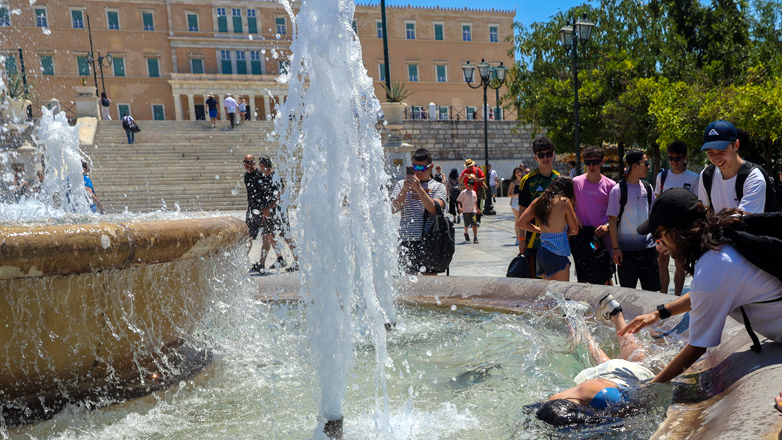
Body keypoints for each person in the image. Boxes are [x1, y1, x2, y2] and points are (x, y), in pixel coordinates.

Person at [618, 188, 782, 383]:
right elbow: (708, 293)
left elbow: (697, 346)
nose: (658, 243)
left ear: (676, 231)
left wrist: (649, 387)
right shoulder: (721, 237)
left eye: (658, 234)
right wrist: (658, 314)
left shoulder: (714, 267)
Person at [536, 296, 655, 426]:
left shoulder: (606, 398)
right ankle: (574, 318)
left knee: (637, 361)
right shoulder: (551, 402)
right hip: (586, 378)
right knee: (604, 361)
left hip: (603, 387)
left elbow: (641, 408)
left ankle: (615, 316)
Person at [607, 149, 660, 292]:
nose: (648, 167)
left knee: (652, 293)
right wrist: (616, 248)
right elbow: (612, 221)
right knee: (627, 294)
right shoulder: (618, 190)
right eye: (645, 163)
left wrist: (659, 242)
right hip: (626, 253)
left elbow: (654, 218)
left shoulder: (648, 188)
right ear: (634, 166)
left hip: (648, 250)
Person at [391, 148, 447, 276]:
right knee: (408, 285)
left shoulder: (439, 187)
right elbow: (393, 208)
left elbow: (433, 209)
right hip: (407, 241)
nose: (418, 171)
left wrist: (419, 188)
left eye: (422, 168)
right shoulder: (401, 185)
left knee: (429, 283)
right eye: (415, 167)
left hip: (430, 241)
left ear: (431, 166)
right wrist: (404, 190)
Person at [655, 140, 699, 296]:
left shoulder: (694, 178)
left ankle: (676, 296)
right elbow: (657, 203)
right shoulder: (662, 176)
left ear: (685, 158)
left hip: (682, 227)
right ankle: (663, 293)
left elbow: (696, 204)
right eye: (670, 158)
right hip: (664, 227)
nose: (674, 162)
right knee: (662, 260)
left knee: (680, 263)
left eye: (677, 158)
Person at [697, 120, 767, 214]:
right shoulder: (706, 175)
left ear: (736, 145)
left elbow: (745, 222)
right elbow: (705, 213)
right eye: (710, 152)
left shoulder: (754, 178)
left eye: (722, 151)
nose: (716, 158)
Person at [518, 177, 579, 281]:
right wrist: (566, 232)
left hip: (542, 253)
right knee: (560, 293)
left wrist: (539, 230)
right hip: (558, 252)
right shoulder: (564, 202)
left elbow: (521, 223)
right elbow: (575, 230)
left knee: (547, 293)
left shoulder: (538, 201)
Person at [572, 145, 616, 284]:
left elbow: (616, 214)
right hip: (584, 240)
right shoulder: (575, 183)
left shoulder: (611, 185)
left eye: (595, 161)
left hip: (604, 240)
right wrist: (575, 219)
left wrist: (607, 226)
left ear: (602, 161)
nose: (592, 165)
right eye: (588, 162)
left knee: (606, 278)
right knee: (584, 278)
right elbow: (567, 207)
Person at [518, 136, 561, 274]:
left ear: (553, 155)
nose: (545, 158)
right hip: (534, 241)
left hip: (556, 241)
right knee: (536, 284)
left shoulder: (559, 179)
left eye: (548, 154)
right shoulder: (527, 180)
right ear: (536, 158)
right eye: (541, 155)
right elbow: (521, 212)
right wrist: (521, 239)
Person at [460, 159, 486, 224]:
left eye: (471, 166)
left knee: (477, 206)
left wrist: (478, 180)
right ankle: (470, 220)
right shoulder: (465, 172)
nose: (470, 168)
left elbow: (484, 178)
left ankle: (477, 219)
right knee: (469, 206)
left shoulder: (477, 170)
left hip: (476, 191)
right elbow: (460, 181)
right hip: (468, 192)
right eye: (468, 167)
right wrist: (463, 177)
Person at [457, 176, 481, 244]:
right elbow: (459, 201)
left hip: (473, 210)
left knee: (474, 224)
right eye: (469, 186)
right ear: (466, 185)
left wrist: (477, 209)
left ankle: (475, 237)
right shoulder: (464, 192)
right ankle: (466, 233)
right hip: (466, 211)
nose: (470, 187)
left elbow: (475, 201)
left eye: (472, 186)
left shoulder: (474, 193)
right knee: (466, 224)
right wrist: (459, 207)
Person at [508, 167, 524, 246]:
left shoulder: (524, 181)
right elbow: (508, 194)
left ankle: (523, 237)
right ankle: (518, 238)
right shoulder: (513, 183)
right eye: (517, 172)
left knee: (524, 220)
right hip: (515, 202)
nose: (518, 173)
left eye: (519, 172)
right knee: (517, 220)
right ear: (514, 174)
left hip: (523, 202)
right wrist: (516, 195)